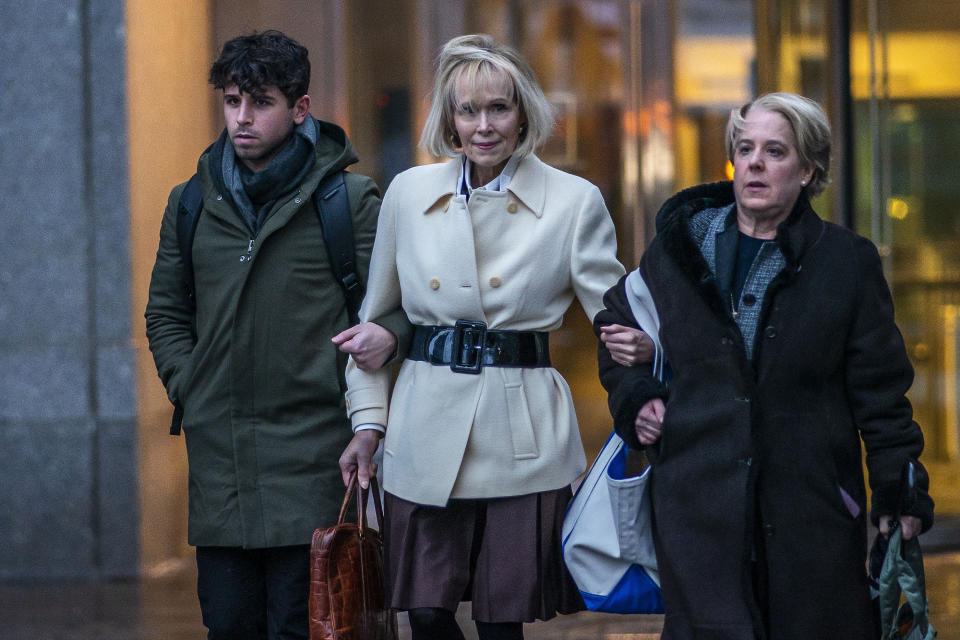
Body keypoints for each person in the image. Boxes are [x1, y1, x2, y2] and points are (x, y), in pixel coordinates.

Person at [335, 34, 646, 640]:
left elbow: (617, 313)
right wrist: (367, 424)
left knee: (503, 624)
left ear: (523, 111)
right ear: (448, 118)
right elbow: (375, 322)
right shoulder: (408, 192)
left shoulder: (574, 201)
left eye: (498, 108)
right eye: (467, 110)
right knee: (425, 613)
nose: (483, 126)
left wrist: (651, 362)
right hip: (423, 429)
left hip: (521, 433)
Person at [595, 92, 934, 639]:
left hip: (810, 509)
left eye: (775, 151)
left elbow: (882, 393)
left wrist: (899, 491)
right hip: (698, 505)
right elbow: (615, 328)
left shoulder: (846, 263)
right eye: (745, 148)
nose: (754, 162)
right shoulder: (680, 251)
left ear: (808, 170)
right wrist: (637, 397)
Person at [145, 30, 409, 640]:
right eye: (233, 100)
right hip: (220, 461)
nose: (242, 117)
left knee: (308, 625)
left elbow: (399, 308)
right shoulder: (189, 203)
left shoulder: (348, 200)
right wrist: (192, 385)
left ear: (299, 108)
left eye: (260, 102)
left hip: (317, 455)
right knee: (230, 625)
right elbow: (165, 312)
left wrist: (388, 339)